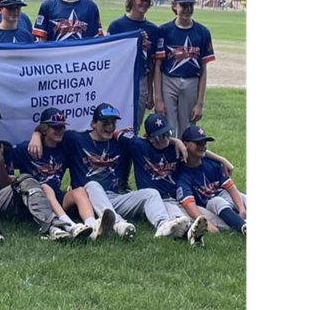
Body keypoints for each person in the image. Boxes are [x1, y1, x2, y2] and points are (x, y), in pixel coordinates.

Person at [27, 103, 193, 241]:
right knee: (92, 184)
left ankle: (163, 225)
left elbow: (148, 140)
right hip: (88, 199)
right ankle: (118, 224)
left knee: (151, 193)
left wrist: (175, 140)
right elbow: (53, 134)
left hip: (113, 198)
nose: (109, 126)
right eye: (104, 122)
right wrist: (35, 134)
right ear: (93, 124)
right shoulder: (76, 140)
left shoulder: (120, 143)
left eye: (112, 123)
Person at [0, 103, 77, 245]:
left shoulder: (3, 148)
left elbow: (5, 184)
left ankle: (52, 225)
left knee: (26, 179)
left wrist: (0, 160)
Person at [112, 113, 216, 245]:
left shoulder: (174, 148)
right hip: (158, 201)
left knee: (206, 215)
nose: (166, 138)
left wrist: (223, 160)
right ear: (149, 138)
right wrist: (121, 132)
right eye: (161, 136)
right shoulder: (138, 145)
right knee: (178, 216)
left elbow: (198, 151)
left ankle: (238, 223)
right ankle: (191, 234)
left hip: (177, 198)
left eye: (168, 133)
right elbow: (113, 134)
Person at [14, 108, 104, 240]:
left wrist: (117, 133)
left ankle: (92, 226)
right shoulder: (27, 149)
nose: (60, 130)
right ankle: (70, 226)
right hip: (34, 202)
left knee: (79, 191)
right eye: (55, 127)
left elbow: (90, 135)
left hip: (57, 198)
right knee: (45, 187)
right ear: (44, 129)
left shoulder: (65, 147)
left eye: (62, 127)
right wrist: (36, 135)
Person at [107, 0, 160, 191]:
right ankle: (110, 175)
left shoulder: (152, 30)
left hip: (140, 81)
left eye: (148, 0)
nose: (145, 3)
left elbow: (152, 63)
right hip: (120, 81)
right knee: (112, 127)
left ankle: (124, 179)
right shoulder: (117, 26)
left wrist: (151, 93)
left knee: (132, 132)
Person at [153, 0, 215, 137]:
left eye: (190, 5)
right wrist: (158, 99)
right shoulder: (165, 30)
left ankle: (185, 159)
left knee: (187, 129)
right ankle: (171, 159)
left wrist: (200, 103)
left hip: (191, 81)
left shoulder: (203, 32)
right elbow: (158, 66)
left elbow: (203, 70)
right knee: (168, 127)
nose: (187, 9)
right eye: (183, 5)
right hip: (169, 80)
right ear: (174, 6)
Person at [176, 125, 247, 240]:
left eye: (204, 143)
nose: (202, 146)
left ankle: (242, 219)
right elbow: (189, 205)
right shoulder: (183, 176)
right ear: (185, 145)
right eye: (198, 143)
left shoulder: (212, 164)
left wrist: (242, 209)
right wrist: (208, 225)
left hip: (223, 196)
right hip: (208, 205)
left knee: (243, 198)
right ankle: (243, 226)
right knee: (216, 201)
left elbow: (231, 188)